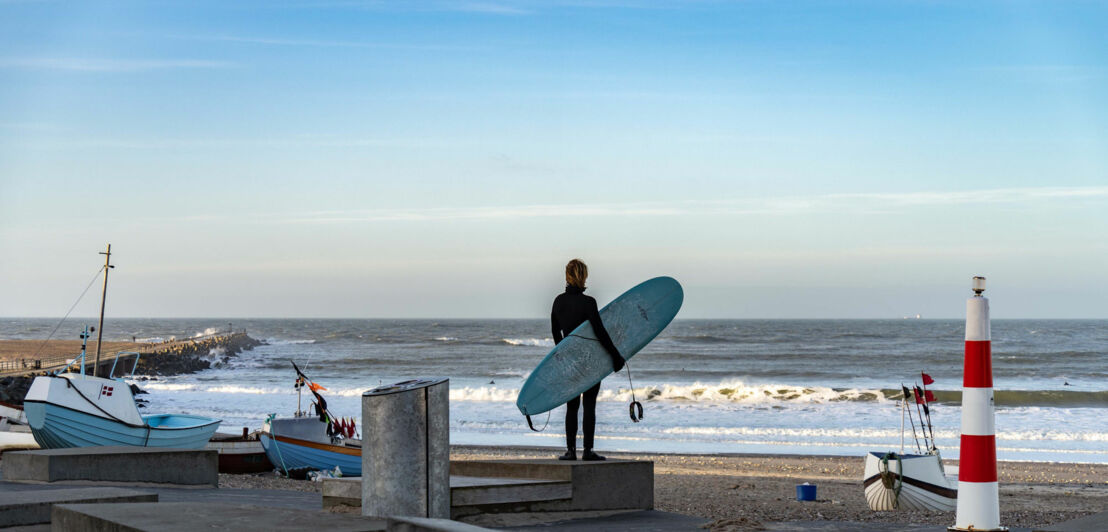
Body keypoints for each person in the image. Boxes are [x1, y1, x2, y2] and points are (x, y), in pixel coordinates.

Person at [550, 259, 625, 461]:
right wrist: (616, 356)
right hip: (589, 360)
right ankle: (588, 451)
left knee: (572, 406)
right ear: (583, 276)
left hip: (570, 361)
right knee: (589, 404)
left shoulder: (558, 302)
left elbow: (556, 334)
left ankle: (570, 451)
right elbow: (600, 332)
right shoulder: (588, 302)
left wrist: (563, 355)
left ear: (567, 276)